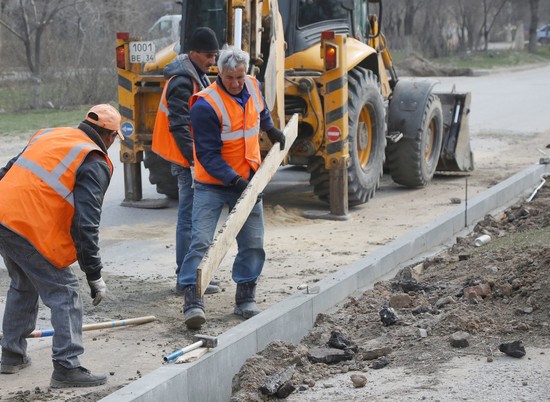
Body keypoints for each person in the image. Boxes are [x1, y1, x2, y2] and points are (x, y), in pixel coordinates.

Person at [0, 104, 123, 388]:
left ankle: (12, 354)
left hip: (4, 218)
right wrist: (94, 275)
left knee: (24, 283)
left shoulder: (50, 135)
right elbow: (86, 224)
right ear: (109, 136)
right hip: (26, 228)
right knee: (65, 291)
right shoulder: (93, 160)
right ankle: (67, 367)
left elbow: (8, 170)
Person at [179, 46, 286, 329]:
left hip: (249, 179)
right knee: (201, 241)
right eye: (230, 78)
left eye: (240, 76)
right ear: (219, 74)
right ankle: (193, 301)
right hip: (212, 184)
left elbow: (259, 112)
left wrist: (270, 128)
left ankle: (245, 298)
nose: (236, 83)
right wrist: (236, 181)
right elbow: (208, 156)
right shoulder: (205, 106)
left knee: (253, 243)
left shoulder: (253, 85)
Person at [152, 27, 222, 295]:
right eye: (208, 55)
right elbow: (180, 125)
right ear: (193, 53)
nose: (212, 60)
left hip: (193, 158)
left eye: (214, 55)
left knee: (194, 218)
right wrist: (194, 161)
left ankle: (192, 274)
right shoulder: (183, 81)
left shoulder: (195, 75)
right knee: (190, 219)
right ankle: (186, 278)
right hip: (187, 160)